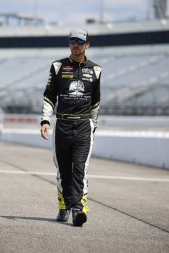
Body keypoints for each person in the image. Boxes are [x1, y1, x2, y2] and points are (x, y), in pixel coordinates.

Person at [40, 29, 101, 227]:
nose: (76, 45)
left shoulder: (96, 70)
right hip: (63, 125)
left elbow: (96, 103)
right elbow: (49, 96)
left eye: (80, 42)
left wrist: (94, 125)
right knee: (63, 171)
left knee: (80, 170)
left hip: (84, 125)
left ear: (87, 45)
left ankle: (78, 209)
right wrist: (45, 121)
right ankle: (64, 205)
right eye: (72, 41)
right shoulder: (58, 66)